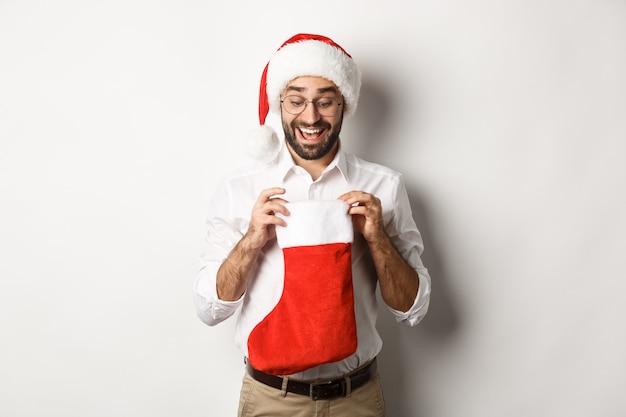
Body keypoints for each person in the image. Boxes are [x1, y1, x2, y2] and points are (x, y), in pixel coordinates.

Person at [194, 33, 431, 417]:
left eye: (325, 101)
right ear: (279, 104)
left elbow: (414, 309)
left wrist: (377, 237)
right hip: (271, 399)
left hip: (357, 398)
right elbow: (209, 310)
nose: (310, 117)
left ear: (344, 105)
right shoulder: (241, 188)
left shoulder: (384, 186)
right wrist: (252, 240)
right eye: (297, 100)